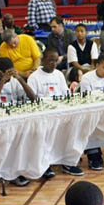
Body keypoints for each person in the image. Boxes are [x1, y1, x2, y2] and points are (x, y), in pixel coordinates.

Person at [28, 48, 84, 177]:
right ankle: (45, 165)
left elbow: (65, 94)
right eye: (50, 60)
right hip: (43, 115)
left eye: (55, 61)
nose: (53, 63)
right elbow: (33, 100)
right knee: (43, 136)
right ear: (43, 60)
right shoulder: (34, 77)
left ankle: (67, 162)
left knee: (73, 130)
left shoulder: (59, 74)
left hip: (61, 113)